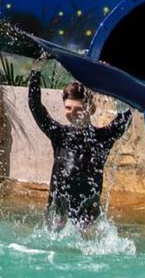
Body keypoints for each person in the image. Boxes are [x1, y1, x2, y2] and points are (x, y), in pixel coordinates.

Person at [28, 54, 132, 229]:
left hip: (88, 210)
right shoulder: (59, 134)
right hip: (58, 207)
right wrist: (36, 72)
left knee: (87, 235)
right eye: (68, 108)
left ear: (91, 108)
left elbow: (125, 116)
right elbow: (35, 106)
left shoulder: (103, 138)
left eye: (78, 109)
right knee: (53, 235)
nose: (72, 113)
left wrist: (111, 76)